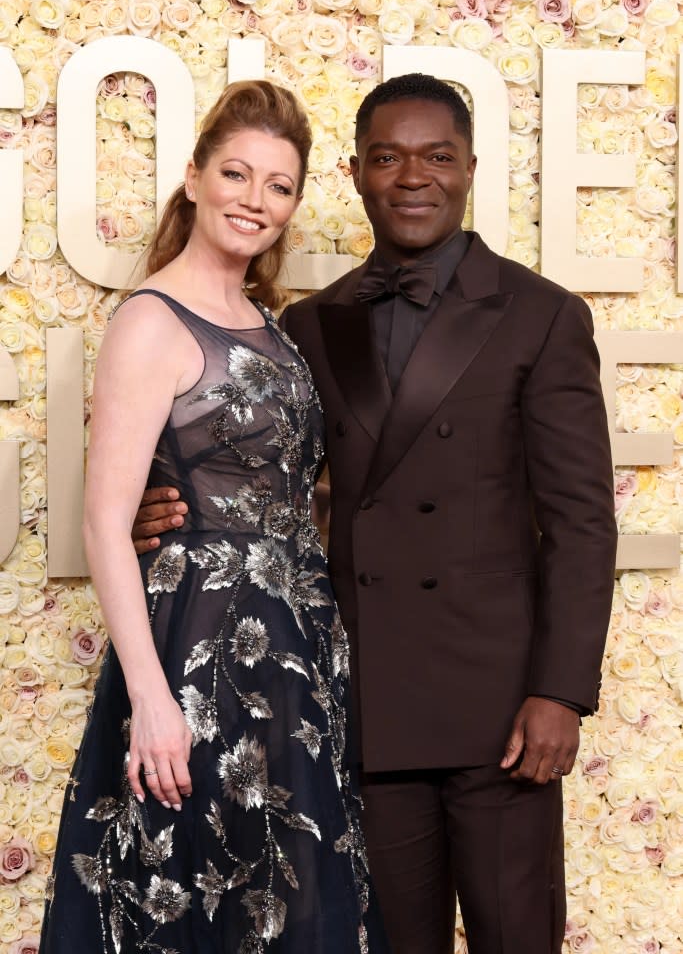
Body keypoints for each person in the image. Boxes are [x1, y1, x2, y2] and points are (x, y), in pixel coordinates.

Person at [133, 73, 618, 954]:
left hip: (502, 707)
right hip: (365, 699)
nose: (412, 177)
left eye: (436, 156)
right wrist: (163, 511)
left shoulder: (541, 316)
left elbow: (583, 522)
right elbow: (266, 474)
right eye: (388, 158)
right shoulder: (312, 325)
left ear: (470, 169)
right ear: (355, 174)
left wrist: (560, 692)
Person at [39, 81, 388, 954]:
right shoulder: (151, 323)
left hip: (296, 653)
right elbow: (104, 526)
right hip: (198, 658)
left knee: (292, 906)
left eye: (278, 185)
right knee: (195, 894)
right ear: (193, 177)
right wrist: (155, 702)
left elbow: (284, 487)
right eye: (236, 173)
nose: (255, 200)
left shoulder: (268, 326)